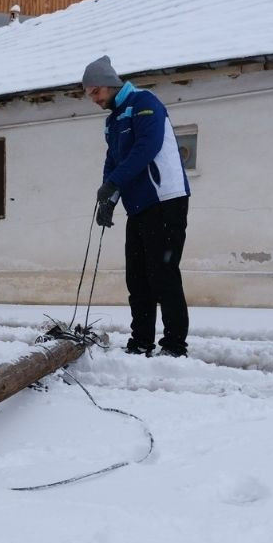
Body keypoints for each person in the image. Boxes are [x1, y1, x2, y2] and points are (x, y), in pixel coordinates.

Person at [82, 55, 191, 357]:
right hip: (139, 206)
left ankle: (173, 345)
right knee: (137, 277)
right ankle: (141, 341)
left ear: (108, 84)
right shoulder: (113, 121)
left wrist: (114, 182)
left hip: (166, 199)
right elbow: (113, 161)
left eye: (95, 92)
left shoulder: (145, 103)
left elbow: (147, 147)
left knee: (163, 273)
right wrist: (109, 199)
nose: (93, 99)